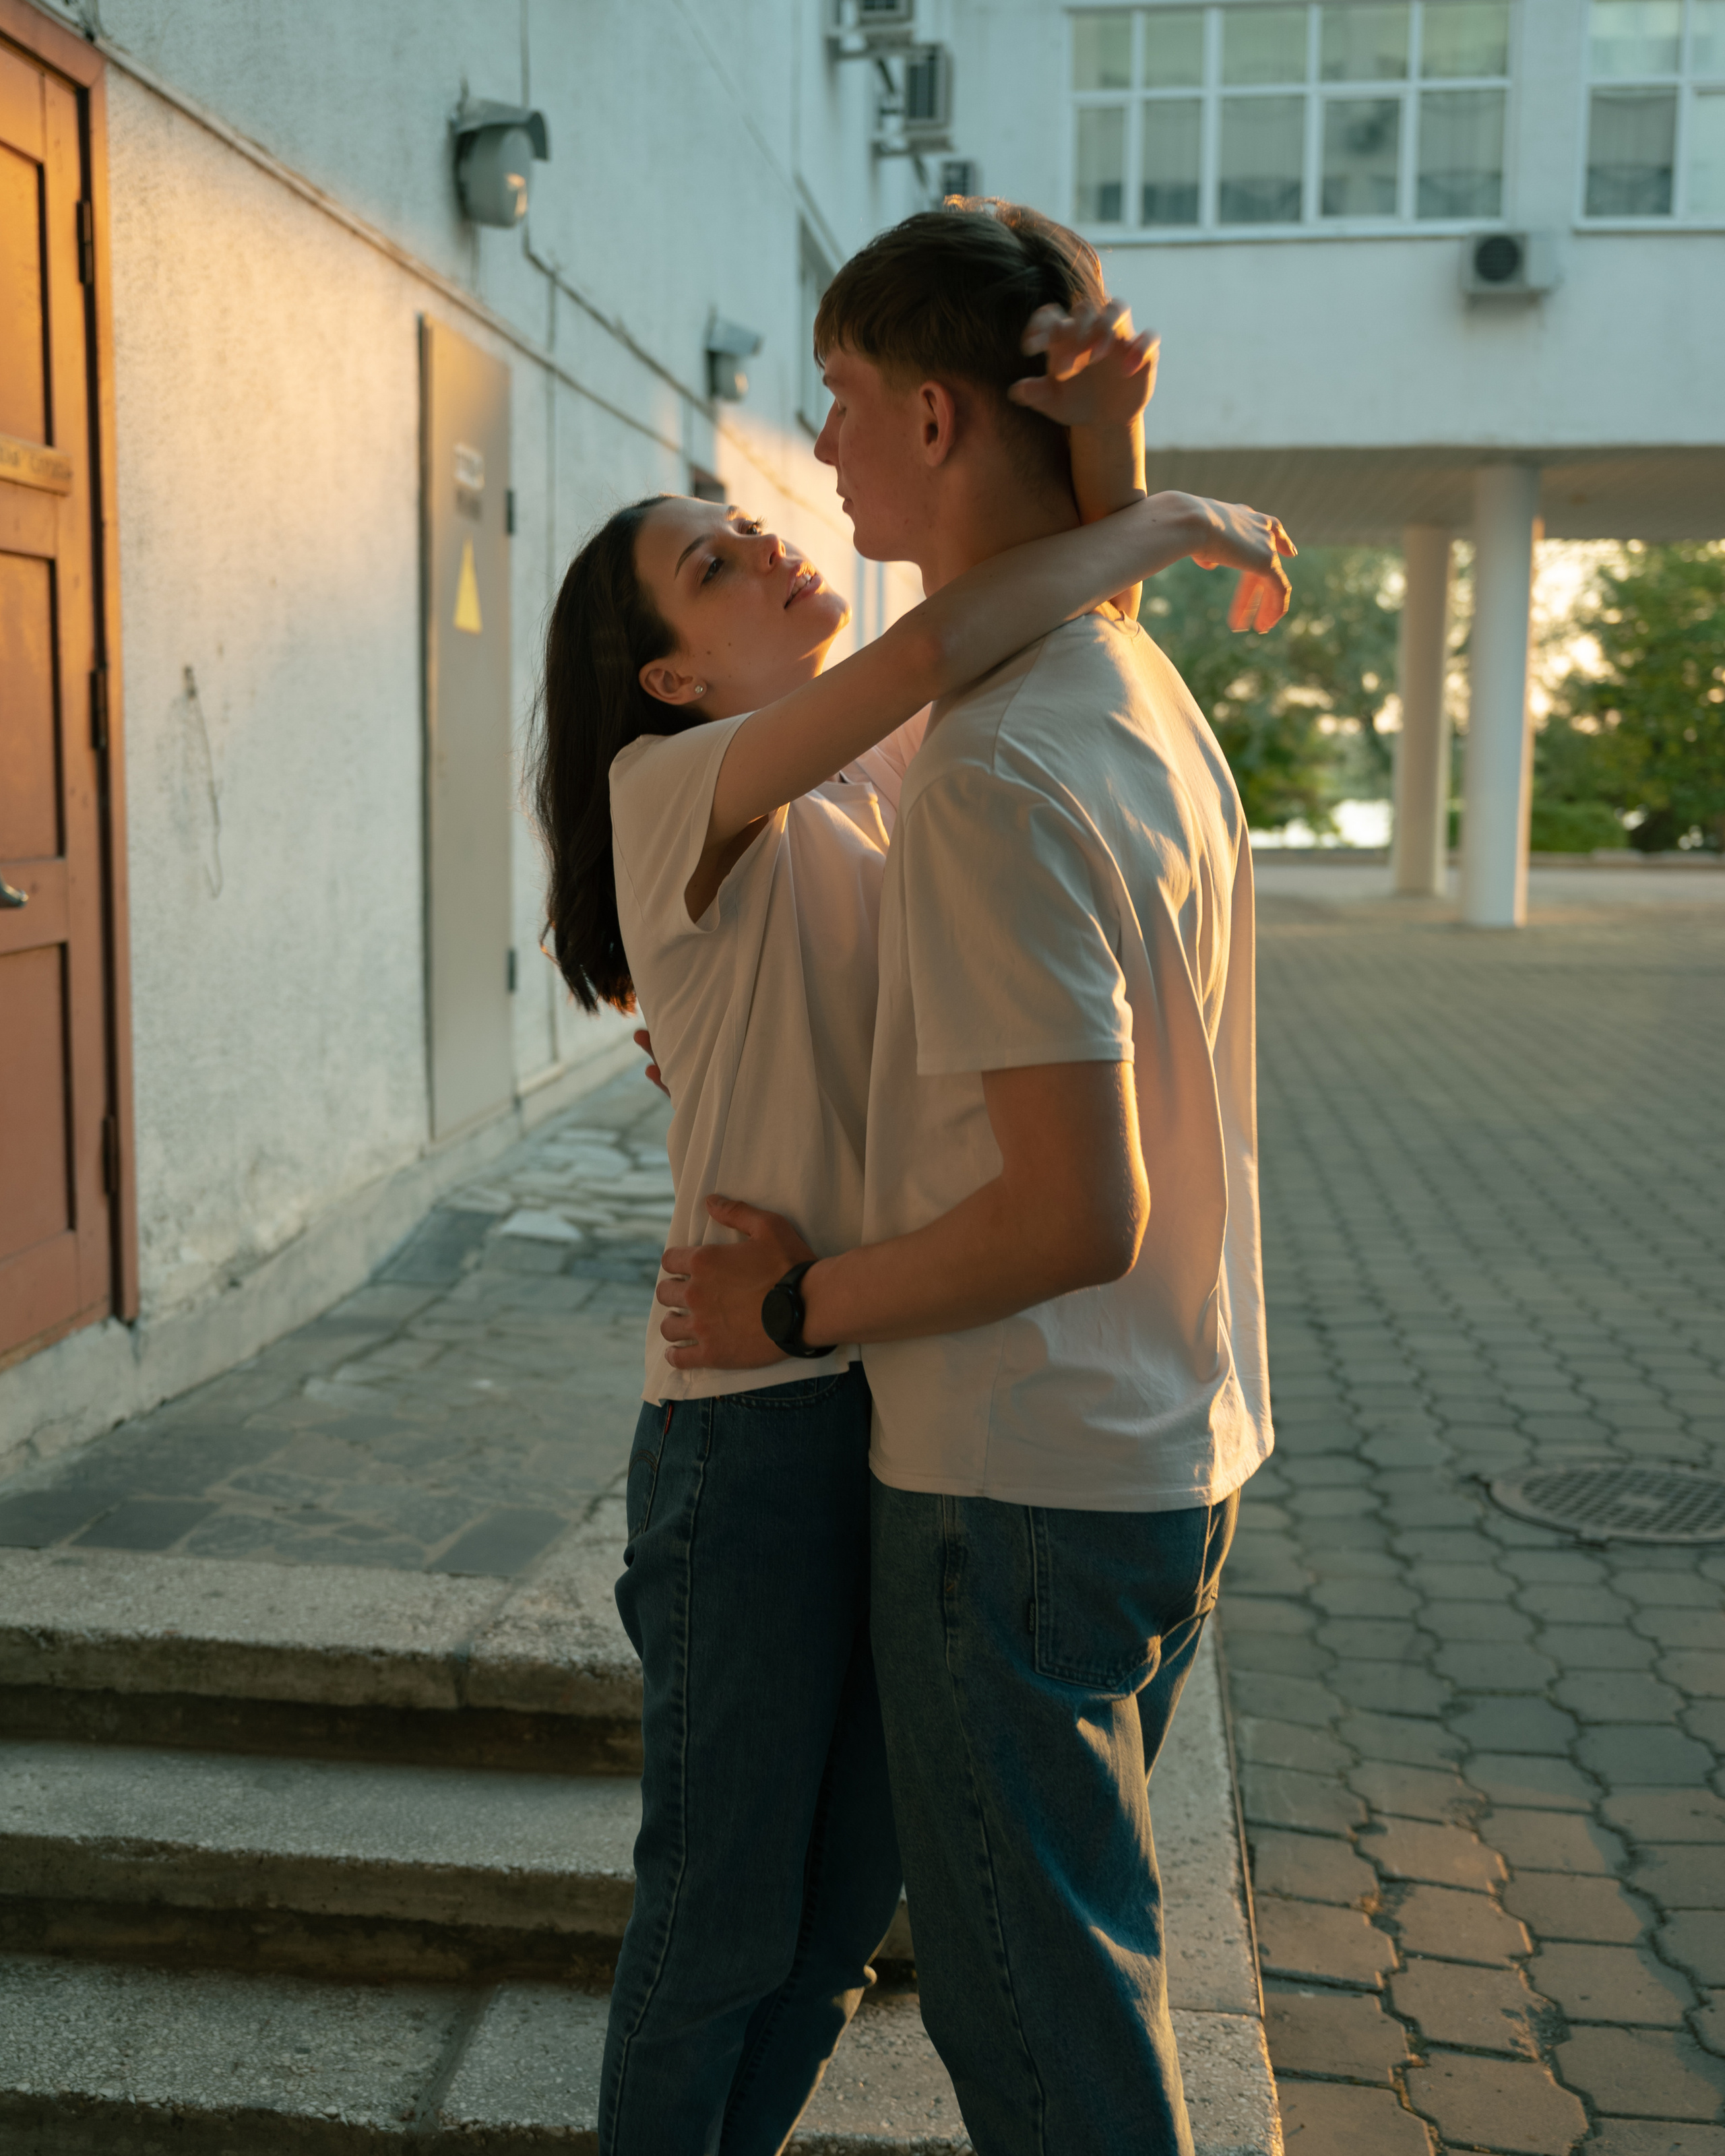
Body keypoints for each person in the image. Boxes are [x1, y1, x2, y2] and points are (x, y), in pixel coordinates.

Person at [529, 253, 1290, 2155]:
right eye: (712, 564)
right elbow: (965, 629)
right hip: (749, 1424)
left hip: (880, 1384)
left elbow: (1021, 624)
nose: (768, 536)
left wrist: (1095, 454)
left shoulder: (885, 776)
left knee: (833, 1927)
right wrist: (1162, 501)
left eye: (751, 521)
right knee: (717, 1928)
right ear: (670, 675)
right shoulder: (675, 788)